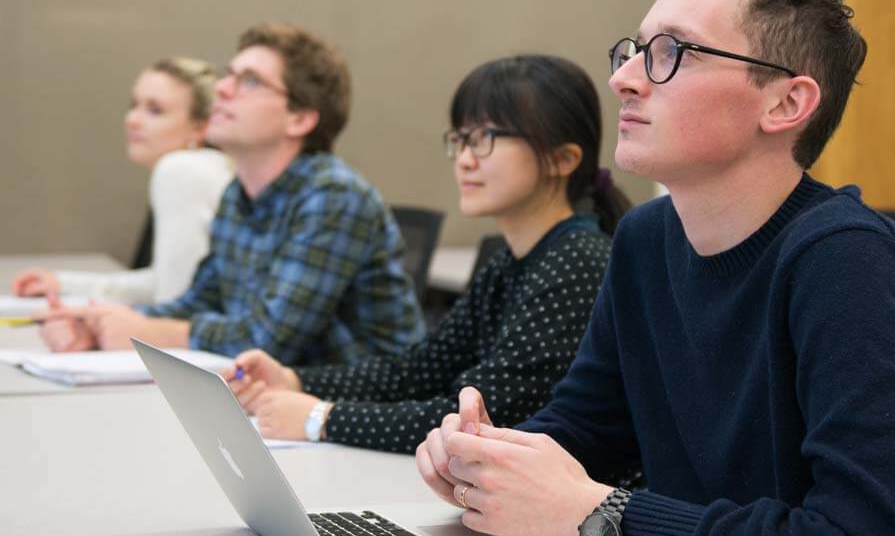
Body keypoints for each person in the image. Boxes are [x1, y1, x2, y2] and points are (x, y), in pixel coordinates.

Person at [416, 0, 895, 536]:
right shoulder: (646, 241)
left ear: (785, 103)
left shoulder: (847, 264)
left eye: (671, 52)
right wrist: (488, 462)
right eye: (632, 51)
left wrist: (597, 515)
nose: (623, 79)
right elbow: (586, 432)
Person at [225, 55, 630, 453]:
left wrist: (322, 418)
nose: (466, 160)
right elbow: (419, 371)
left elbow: (475, 423)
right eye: (461, 140)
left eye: (486, 139)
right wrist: (294, 380)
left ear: (563, 159)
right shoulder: (513, 262)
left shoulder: (577, 264)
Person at [41, 23, 425, 366]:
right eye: (229, 75)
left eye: (250, 81)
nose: (222, 89)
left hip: (358, 414)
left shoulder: (333, 196)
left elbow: (270, 341)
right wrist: (101, 323)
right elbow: (200, 301)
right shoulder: (237, 194)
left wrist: (149, 332)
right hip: (278, 408)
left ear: (300, 118)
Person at [12, 58, 233, 305]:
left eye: (155, 110)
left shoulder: (182, 170)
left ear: (200, 127)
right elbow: (166, 279)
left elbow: (173, 300)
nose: (133, 120)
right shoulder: (207, 166)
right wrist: (63, 284)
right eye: (134, 105)